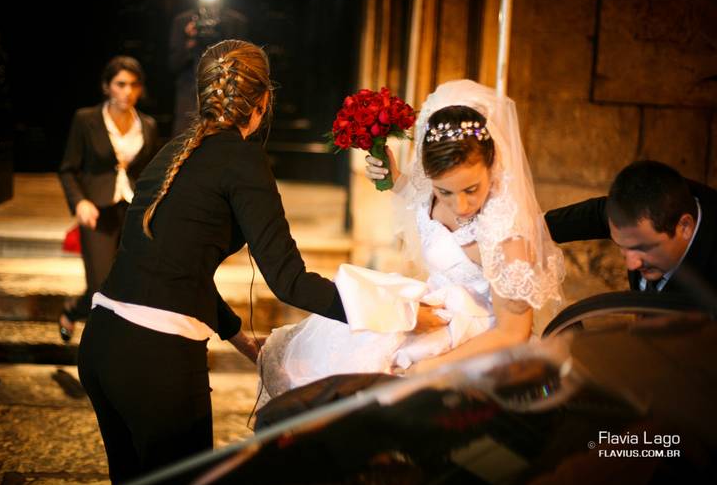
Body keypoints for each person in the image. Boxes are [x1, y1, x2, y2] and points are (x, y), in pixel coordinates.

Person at [77, 39, 348, 485]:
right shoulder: (245, 161)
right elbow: (290, 281)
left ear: (204, 95)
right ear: (263, 102)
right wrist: (381, 309)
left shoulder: (173, 150)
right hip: (155, 358)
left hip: (102, 345)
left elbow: (173, 264)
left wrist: (237, 335)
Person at [259, 80, 565, 400]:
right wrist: (393, 178)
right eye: (445, 192)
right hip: (432, 311)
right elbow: (416, 200)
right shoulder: (428, 198)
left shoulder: (506, 235)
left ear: (493, 166)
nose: (460, 205)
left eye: (471, 189)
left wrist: (434, 367)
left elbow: (513, 332)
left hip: (478, 342)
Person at [57, 56, 159, 342]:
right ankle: (81, 318)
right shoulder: (86, 119)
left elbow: (152, 173)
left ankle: (103, 333)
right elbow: (68, 169)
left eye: (134, 85)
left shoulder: (147, 125)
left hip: (133, 212)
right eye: (120, 84)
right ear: (106, 86)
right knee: (100, 286)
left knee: (128, 282)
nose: (128, 91)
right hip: (97, 211)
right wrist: (80, 202)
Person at [545, 160, 717, 294]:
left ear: (685, 227)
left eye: (643, 248)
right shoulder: (643, 212)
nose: (631, 264)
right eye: (622, 247)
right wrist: (537, 229)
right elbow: (596, 214)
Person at [169, 0, 248, 135]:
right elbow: (174, 65)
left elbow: (242, 63)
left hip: (226, 92)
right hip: (190, 94)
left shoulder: (235, 22)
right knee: (185, 138)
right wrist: (189, 41)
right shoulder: (183, 21)